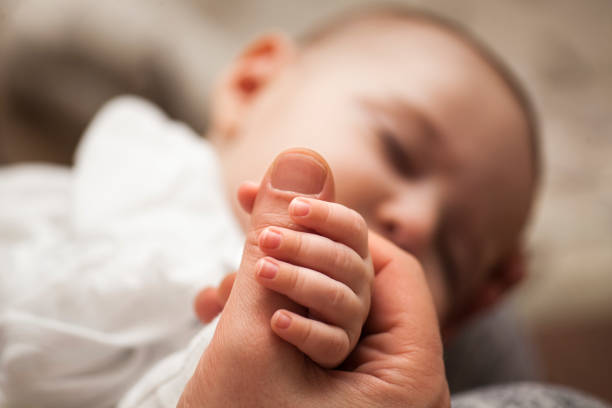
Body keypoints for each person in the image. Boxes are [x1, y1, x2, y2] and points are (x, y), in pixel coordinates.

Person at [3, 6, 604, 408]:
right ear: (250, 86)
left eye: (451, 254)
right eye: (396, 149)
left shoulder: (361, 374)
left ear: (459, 316)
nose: (417, 221)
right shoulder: (135, 172)